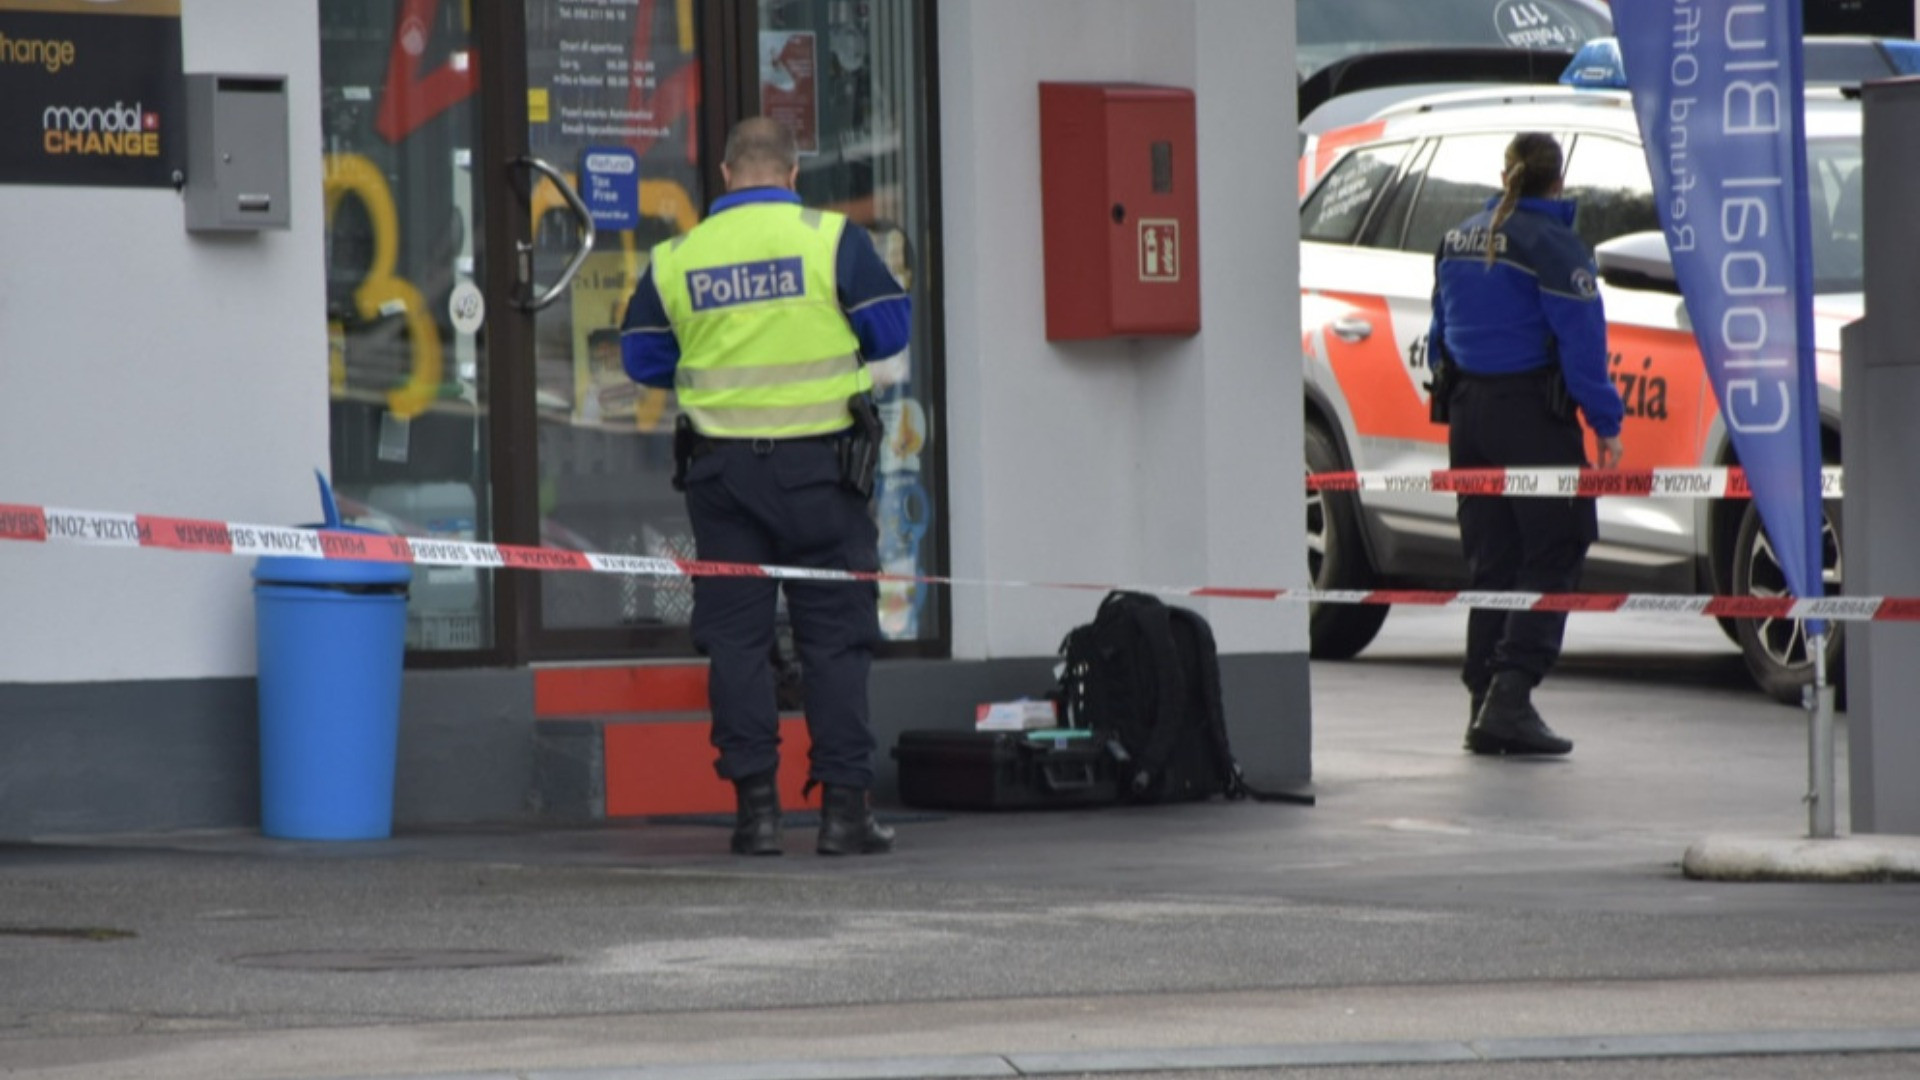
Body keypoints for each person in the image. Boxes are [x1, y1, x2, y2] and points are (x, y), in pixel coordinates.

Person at [619, 117, 912, 855]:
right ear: (791, 175)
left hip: (724, 479)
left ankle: (757, 817)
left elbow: (641, 358)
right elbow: (890, 328)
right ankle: (845, 816)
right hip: (824, 474)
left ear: (723, 174)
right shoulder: (830, 239)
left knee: (737, 646)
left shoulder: (677, 257)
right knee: (836, 642)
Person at [1427, 132, 1625, 758]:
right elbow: (1583, 346)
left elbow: (1437, 340)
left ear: (1505, 170)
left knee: (1494, 560)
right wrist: (1606, 422)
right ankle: (1509, 697)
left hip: (1468, 418)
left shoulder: (1458, 237)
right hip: (1531, 419)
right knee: (1557, 544)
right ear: (1557, 180)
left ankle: (1482, 699)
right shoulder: (1555, 246)